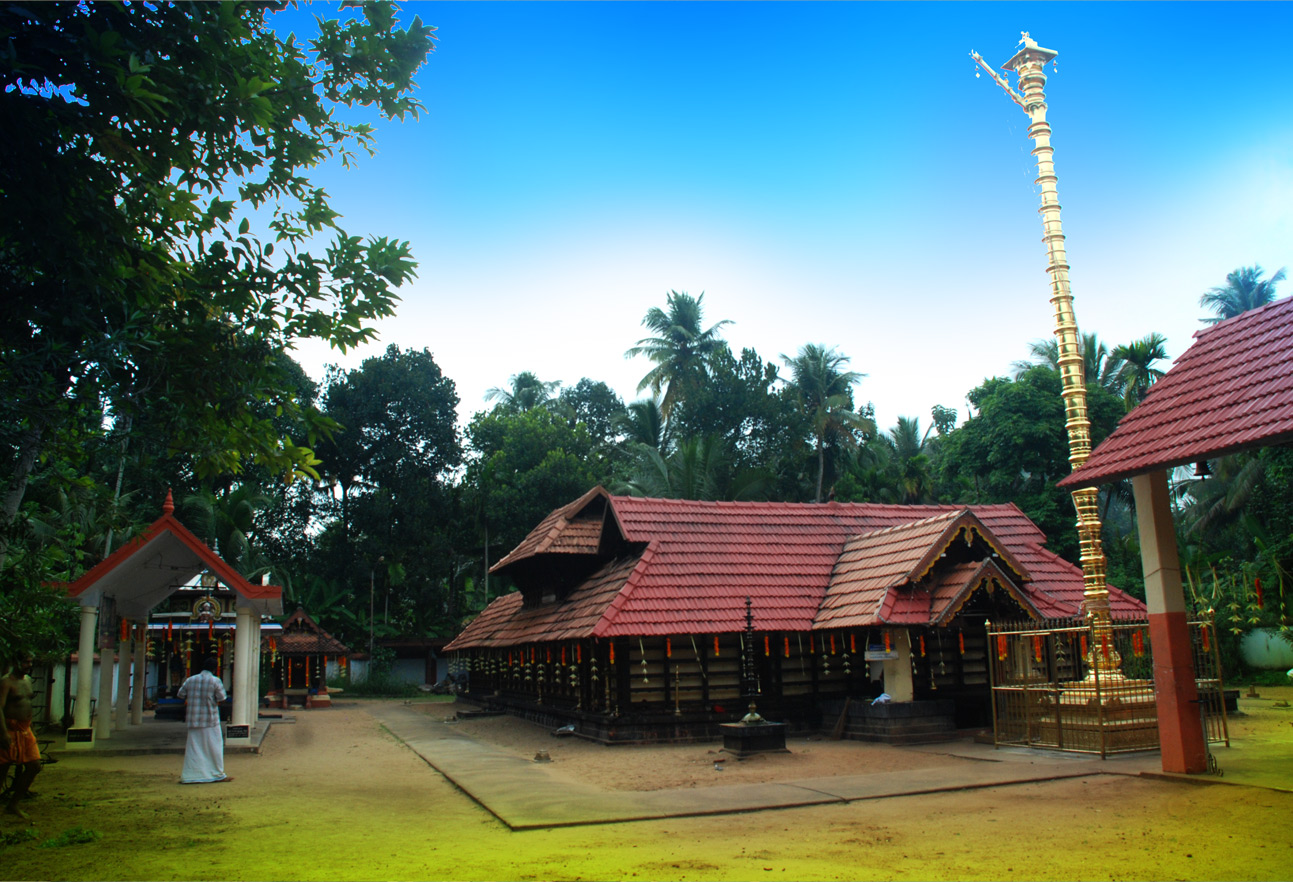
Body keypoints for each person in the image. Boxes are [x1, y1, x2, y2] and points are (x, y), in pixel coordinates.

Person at [177, 656, 232, 784]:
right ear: (214, 669)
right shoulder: (215, 681)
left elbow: (180, 694)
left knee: (194, 747)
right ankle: (217, 773)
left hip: (193, 719)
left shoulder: (190, 680)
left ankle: (191, 775)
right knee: (214, 747)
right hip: (210, 719)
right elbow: (222, 698)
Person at [1, 653, 41, 819]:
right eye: (25, 661)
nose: (28, 665)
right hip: (9, 729)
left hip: (26, 730)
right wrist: (3, 733)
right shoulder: (6, 682)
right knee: (2, 770)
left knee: (34, 766)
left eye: (30, 661)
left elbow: (27, 705)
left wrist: (31, 726)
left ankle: (13, 804)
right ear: (15, 661)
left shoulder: (27, 680)